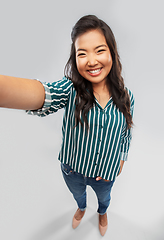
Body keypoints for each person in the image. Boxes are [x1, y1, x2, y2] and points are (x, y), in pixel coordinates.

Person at [0, 15, 134, 236]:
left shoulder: (128, 97)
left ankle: (102, 212)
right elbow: (42, 93)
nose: (91, 61)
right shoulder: (70, 89)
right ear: (75, 59)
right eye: (82, 53)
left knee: (105, 198)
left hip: (106, 174)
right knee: (79, 196)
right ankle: (81, 209)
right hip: (72, 170)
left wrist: (121, 158)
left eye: (99, 50)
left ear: (112, 52)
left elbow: (126, 133)